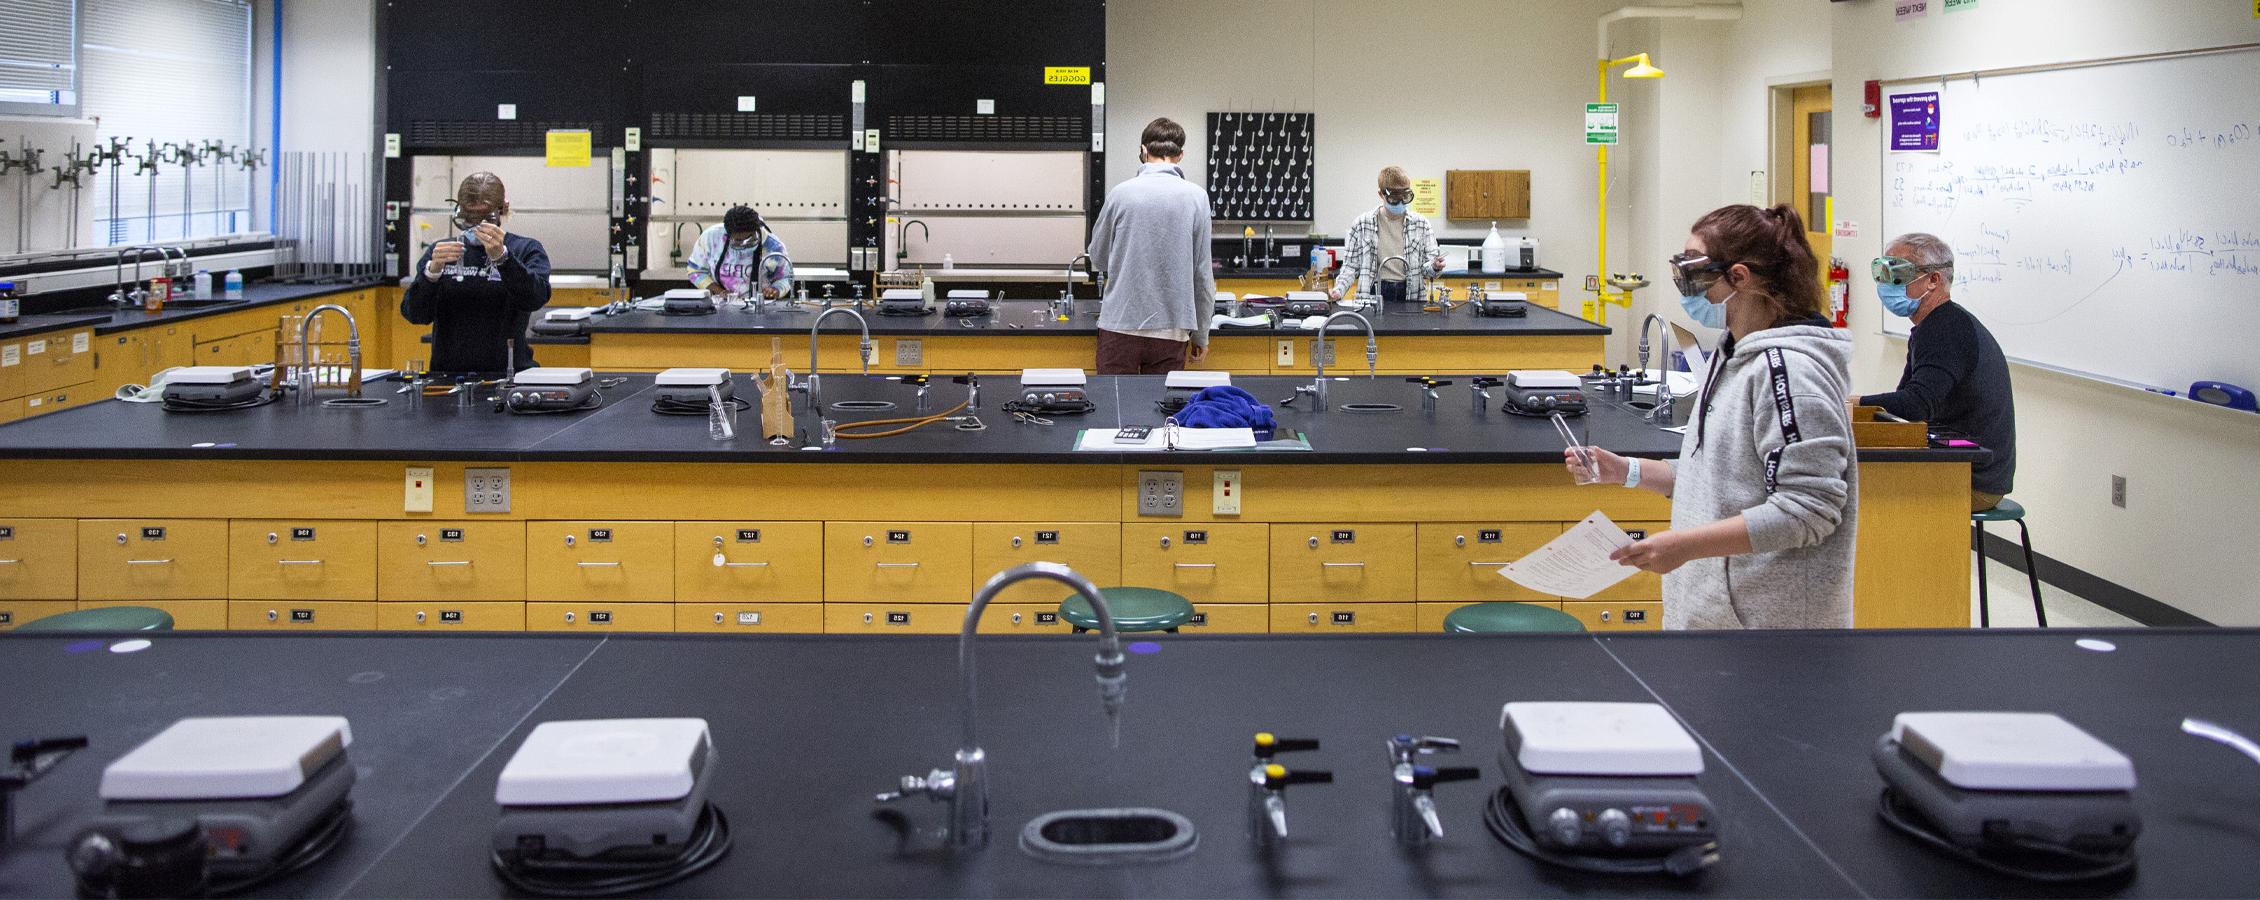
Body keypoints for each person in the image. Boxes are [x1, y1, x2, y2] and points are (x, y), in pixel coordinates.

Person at [1565, 204, 1858, 630]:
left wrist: (1685, 546)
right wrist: (1627, 471)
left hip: (1769, 632)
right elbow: (1721, 477)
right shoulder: (1733, 354)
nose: (1684, 287)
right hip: (1717, 619)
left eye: (1692, 271)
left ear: (1739, 277)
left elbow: (1808, 510)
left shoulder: (1790, 371)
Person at [1858, 233, 2015, 511]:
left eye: (1897, 274)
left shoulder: (1946, 330)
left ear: (1933, 280)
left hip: (1972, 479)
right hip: (1963, 466)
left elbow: (1915, 405)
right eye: (1881, 272)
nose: (1885, 284)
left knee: (1863, 491)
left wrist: (1856, 404)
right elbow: (1905, 400)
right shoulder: (1935, 326)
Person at [1087, 117, 1216, 375]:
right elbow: (1202, 275)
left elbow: (1097, 259)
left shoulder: (1120, 194)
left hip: (1119, 327)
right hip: (1171, 331)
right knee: (1161, 412)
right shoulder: (1197, 197)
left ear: (1143, 151)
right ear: (1180, 155)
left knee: (1114, 409)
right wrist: (1201, 334)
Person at [402, 173, 551, 373]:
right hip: (448, 376)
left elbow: (535, 299)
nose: (476, 227)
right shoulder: (441, 251)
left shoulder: (525, 249)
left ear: (503, 210)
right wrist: (431, 274)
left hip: (509, 373)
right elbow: (415, 314)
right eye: (468, 218)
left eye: (485, 218)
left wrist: (504, 260)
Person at [1329, 166, 1444, 305]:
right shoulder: (1362, 224)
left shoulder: (1421, 224)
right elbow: (1350, 267)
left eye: (1405, 197)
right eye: (1394, 198)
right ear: (1381, 194)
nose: (1401, 202)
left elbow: (1428, 268)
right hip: (1373, 293)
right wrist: (1338, 290)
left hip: (1410, 295)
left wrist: (1435, 266)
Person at [686, 205, 794, 301]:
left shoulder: (773, 247)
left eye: (748, 240)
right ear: (728, 232)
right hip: (720, 305)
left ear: (756, 231)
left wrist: (775, 290)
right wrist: (719, 292)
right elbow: (695, 270)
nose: (742, 245)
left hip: (758, 307)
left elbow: (786, 278)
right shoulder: (711, 237)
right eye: (737, 241)